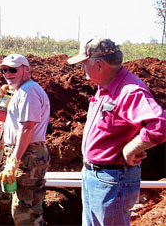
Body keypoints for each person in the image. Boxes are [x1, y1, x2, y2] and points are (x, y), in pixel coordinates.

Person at [67, 37, 166, 226]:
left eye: (84, 64)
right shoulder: (106, 87)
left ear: (99, 65)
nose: (81, 70)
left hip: (112, 180)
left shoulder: (129, 91)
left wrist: (131, 149)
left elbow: (159, 126)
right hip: (96, 177)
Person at [0, 54, 51, 226]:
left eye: (13, 69)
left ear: (26, 69)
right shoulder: (21, 90)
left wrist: (15, 161)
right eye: (4, 70)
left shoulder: (29, 92)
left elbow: (27, 128)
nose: (7, 74)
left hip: (28, 153)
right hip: (17, 151)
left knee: (25, 208)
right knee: (3, 194)